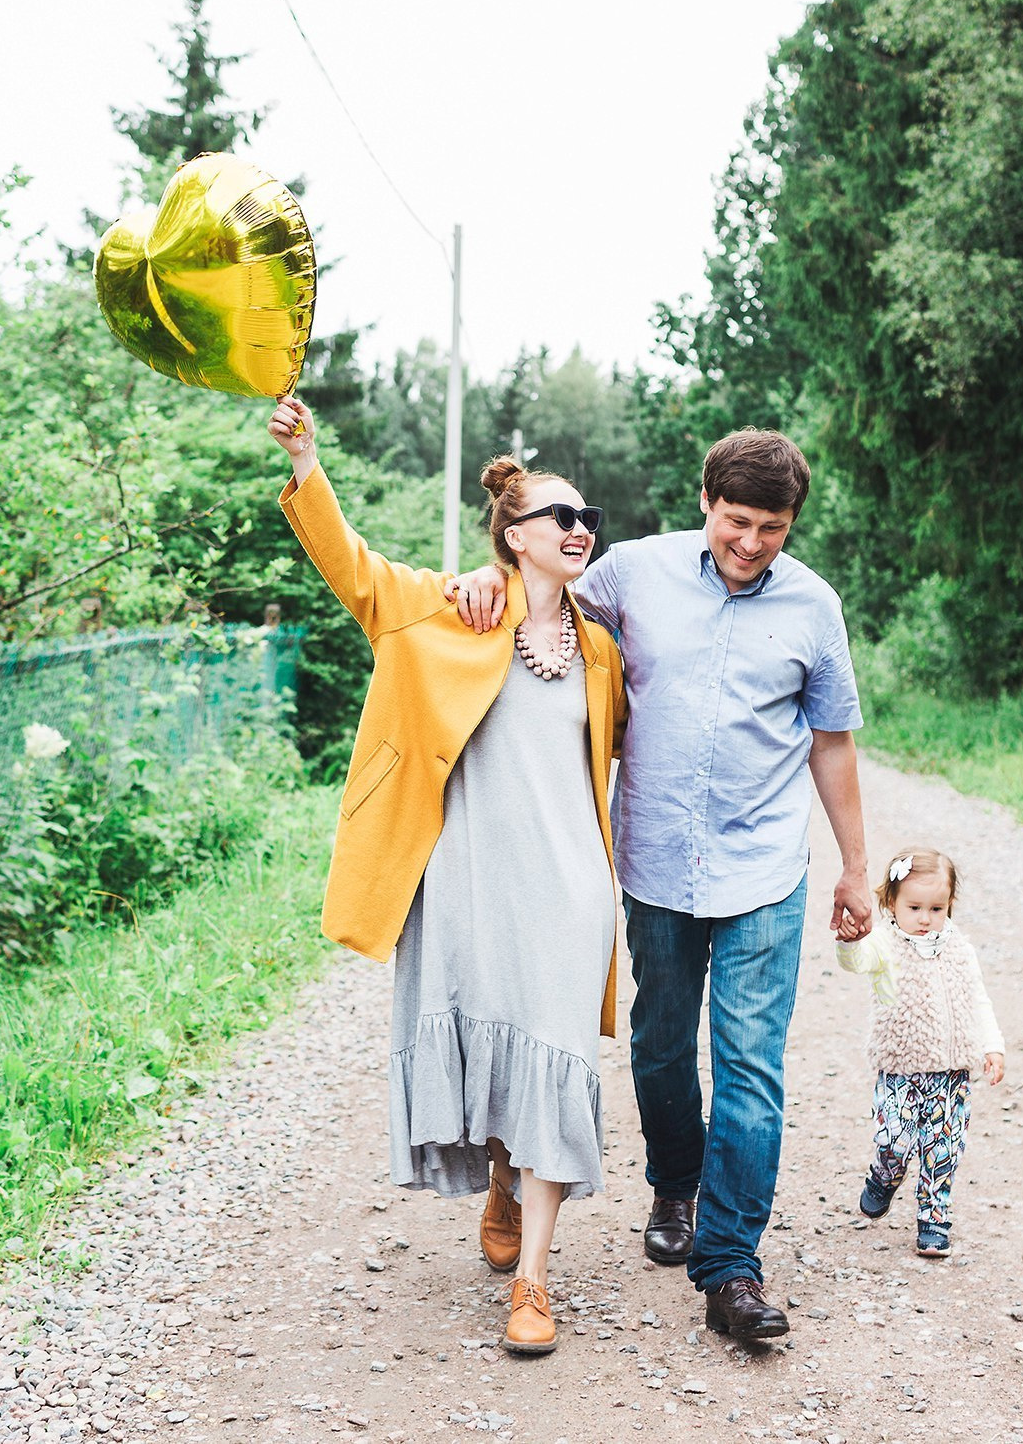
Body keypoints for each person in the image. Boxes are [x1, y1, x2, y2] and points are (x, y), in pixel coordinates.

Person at [448, 429, 871, 1340]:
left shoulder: (813, 608)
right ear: (705, 504)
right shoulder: (635, 574)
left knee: (751, 1067)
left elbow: (832, 741)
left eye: (773, 527)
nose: (751, 543)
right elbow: (545, 598)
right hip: (652, 867)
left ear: (793, 523)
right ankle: (673, 1184)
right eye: (736, 521)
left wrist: (857, 867)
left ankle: (730, 1267)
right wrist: (485, 579)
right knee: (662, 1046)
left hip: (764, 870)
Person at [267, 394, 628, 1358]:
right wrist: (307, 463)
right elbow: (354, 571)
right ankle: (504, 1174)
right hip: (470, 883)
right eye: (561, 516)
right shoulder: (446, 608)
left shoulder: (601, 650)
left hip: (571, 891)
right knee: (499, 1042)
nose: (581, 527)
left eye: (588, 516)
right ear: (515, 535)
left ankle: (538, 1282)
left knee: (556, 1054)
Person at [833, 845, 1005, 1257]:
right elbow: (855, 961)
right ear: (891, 904)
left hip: (952, 1074)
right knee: (896, 1139)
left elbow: (977, 998)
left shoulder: (961, 950)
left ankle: (934, 1220)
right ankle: (884, 1174)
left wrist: (992, 1046)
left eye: (936, 908)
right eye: (914, 907)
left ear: (949, 906)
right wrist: (849, 940)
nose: (925, 919)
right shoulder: (884, 945)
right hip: (901, 1069)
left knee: (943, 1150)